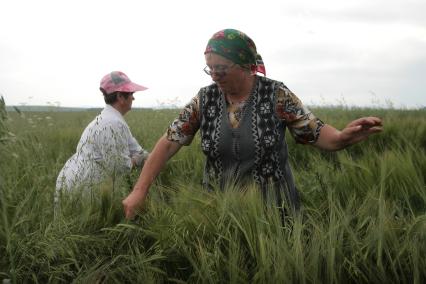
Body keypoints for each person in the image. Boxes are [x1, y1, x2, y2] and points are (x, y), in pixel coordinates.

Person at [122, 29, 383, 219]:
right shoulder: (205, 99)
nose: (214, 75)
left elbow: (316, 132)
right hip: (219, 213)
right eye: (209, 68)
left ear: (247, 66)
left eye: (221, 68)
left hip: (275, 215)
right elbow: (168, 143)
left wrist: (342, 138)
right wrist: (139, 191)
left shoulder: (277, 95)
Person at [55, 71, 150, 206]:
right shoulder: (112, 123)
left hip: (74, 181)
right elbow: (119, 167)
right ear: (120, 97)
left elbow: (136, 149)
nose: (133, 99)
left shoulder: (111, 120)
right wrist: (137, 160)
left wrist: (150, 158)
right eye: (131, 94)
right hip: (81, 188)